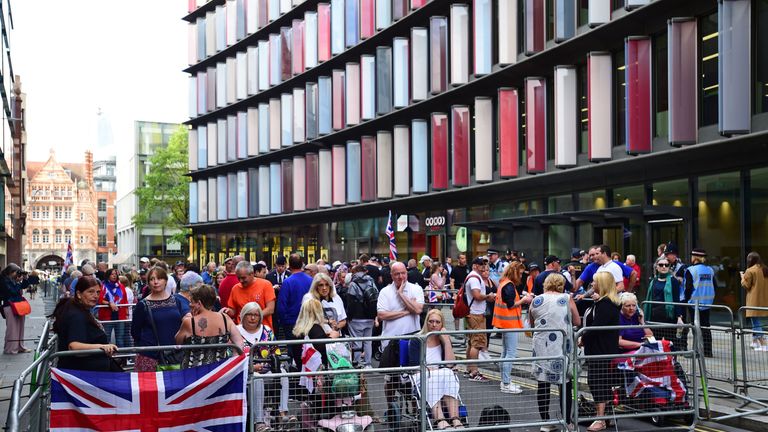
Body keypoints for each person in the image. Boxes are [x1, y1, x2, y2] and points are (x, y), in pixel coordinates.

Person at [529, 273, 581, 430]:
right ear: (561, 284)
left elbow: (532, 324)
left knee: (543, 384)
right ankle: (567, 421)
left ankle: (545, 421)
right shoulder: (566, 298)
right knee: (565, 383)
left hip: (541, 345)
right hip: (561, 344)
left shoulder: (536, 300)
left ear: (546, 284)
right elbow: (577, 321)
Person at [237, 302, 293, 432]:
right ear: (243, 316)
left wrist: (271, 365)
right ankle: (259, 422)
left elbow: (275, 351)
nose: (252, 318)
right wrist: (251, 366)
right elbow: (233, 356)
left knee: (282, 373)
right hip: (246, 374)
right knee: (257, 378)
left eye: (256, 315)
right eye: (249, 315)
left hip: (267, 370)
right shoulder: (236, 331)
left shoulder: (267, 330)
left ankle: (282, 414)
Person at [50, 276, 119, 371]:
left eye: (98, 292)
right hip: (82, 374)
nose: (95, 296)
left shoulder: (80, 310)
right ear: (79, 294)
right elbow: (74, 347)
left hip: (90, 370)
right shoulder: (76, 315)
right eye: (90, 292)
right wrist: (102, 347)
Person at [378, 261, 424, 401]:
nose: (400, 277)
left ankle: (416, 408)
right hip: (391, 342)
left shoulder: (416, 289)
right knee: (391, 379)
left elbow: (417, 310)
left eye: (403, 273)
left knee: (414, 377)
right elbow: (382, 315)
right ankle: (391, 406)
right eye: (397, 274)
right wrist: (405, 312)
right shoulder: (385, 291)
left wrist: (401, 294)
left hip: (412, 341)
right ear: (391, 275)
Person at [580, 272, 621, 432]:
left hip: (602, 349)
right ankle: (605, 417)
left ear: (602, 284)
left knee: (598, 382)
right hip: (596, 349)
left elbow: (596, 327)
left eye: (595, 281)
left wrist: (582, 337)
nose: (592, 284)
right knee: (598, 381)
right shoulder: (602, 302)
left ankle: (601, 419)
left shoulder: (607, 304)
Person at [414, 309, 463, 430]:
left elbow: (450, 364)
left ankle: (455, 419)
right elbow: (414, 366)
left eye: (437, 322)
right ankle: (440, 420)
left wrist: (446, 341)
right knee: (432, 377)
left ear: (442, 324)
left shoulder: (443, 339)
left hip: (440, 374)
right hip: (421, 375)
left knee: (448, 373)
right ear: (426, 323)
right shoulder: (417, 340)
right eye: (431, 321)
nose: (434, 325)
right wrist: (429, 369)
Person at [175, 284, 243, 368]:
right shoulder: (225, 318)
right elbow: (239, 343)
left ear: (199, 303)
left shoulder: (190, 322)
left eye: (192, 302)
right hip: (219, 371)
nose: (189, 305)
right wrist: (232, 363)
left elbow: (178, 341)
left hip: (193, 373)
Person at [131, 267, 185, 372]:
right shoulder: (142, 305)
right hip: (150, 357)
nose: (155, 282)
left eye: (159, 278)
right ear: (148, 283)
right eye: (152, 279)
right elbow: (135, 332)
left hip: (175, 356)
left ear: (165, 280)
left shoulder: (176, 301)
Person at [493, 261, 532, 394]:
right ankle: (506, 383)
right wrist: (524, 300)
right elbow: (511, 305)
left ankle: (505, 381)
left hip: (505, 323)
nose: (521, 276)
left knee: (505, 352)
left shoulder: (504, 283)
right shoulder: (509, 285)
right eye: (520, 273)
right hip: (510, 324)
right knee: (510, 353)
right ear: (514, 272)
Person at [278, 254, 314, 369]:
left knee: (294, 351)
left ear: (289, 265)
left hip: (292, 323)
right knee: (308, 350)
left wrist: (283, 322)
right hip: (309, 321)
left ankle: (296, 375)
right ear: (302, 264)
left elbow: (282, 305)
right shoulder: (311, 280)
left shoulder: (288, 282)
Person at [465, 257, 495, 381]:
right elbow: (477, 295)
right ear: (474, 266)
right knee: (476, 344)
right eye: (480, 264)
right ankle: (474, 372)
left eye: (484, 264)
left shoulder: (473, 277)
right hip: (476, 314)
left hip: (474, 313)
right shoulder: (474, 278)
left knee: (472, 342)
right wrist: (488, 296)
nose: (483, 267)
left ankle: (469, 369)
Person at [642, 258, 684, 346]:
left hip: (669, 317)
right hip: (655, 317)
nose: (664, 267)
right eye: (661, 265)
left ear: (669, 267)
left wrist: (679, 317)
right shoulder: (653, 281)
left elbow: (676, 300)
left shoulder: (674, 281)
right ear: (656, 267)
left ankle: (672, 359)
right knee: (655, 343)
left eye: (666, 265)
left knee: (671, 344)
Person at [681, 248, 715, 356]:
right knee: (706, 327)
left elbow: (688, 288)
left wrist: (686, 300)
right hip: (707, 302)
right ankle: (707, 351)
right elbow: (714, 285)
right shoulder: (710, 270)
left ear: (695, 258)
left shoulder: (690, 270)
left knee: (695, 327)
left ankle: (696, 351)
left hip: (694, 303)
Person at [343, 265, 378, 367]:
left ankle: (357, 363)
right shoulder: (371, 281)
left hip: (356, 318)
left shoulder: (353, 284)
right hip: (370, 317)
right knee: (368, 342)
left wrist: (349, 317)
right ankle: (368, 364)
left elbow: (350, 303)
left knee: (357, 341)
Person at [225, 261, 276, 327]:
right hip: (242, 330)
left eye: (243, 278)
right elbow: (233, 310)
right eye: (238, 278)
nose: (240, 281)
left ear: (252, 274)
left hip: (263, 329)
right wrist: (228, 311)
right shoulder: (235, 288)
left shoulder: (266, 285)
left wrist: (253, 317)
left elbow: (270, 309)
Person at [1, 264, 33, 354]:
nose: (18, 274)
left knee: (20, 327)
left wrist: (25, 278)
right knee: (12, 328)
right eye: (16, 272)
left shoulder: (14, 280)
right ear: (10, 272)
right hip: (10, 306)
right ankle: (10, 349)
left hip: (19, 306)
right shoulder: (4, 281)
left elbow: (24, 286)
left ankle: (20, 347)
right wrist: (18, 282)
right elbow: (13, 291)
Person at [98, 268, 130, 348]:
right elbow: (100, 299)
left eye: (116, 274)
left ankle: (122, 358)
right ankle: (107, 357)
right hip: (107, 316)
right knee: (106, 337)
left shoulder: (121, 286)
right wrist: (109, 303)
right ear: (108, 275)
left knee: (120, 338)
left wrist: (126, 314)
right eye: (112, 274)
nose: (114, 276)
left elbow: (125, 301)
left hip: (120, 316)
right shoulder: (103, 286)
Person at [742, 252, 768, 350]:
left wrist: (742, 278)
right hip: (763, 299)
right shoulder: (765, 269)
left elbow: (746, 285)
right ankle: (754, 342)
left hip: (753, 300)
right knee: (755, 320)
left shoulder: (750, 270)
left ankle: (763, 343)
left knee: (756, 321)